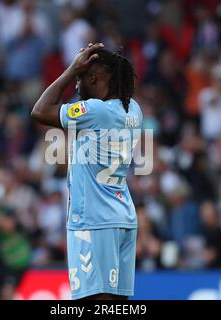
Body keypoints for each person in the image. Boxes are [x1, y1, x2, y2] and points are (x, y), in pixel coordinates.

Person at [31, 43, 142, 300]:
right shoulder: (133, 109)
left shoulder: (95, 111)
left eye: (80, 78)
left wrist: (70, 69)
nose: (76, 86)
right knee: (116, 303)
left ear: (93, 77)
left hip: (93, 222)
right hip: (122, 217)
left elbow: (39, 110)